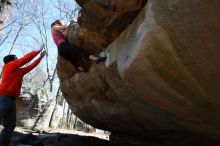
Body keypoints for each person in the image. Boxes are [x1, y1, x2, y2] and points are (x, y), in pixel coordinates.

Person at [0, 46, 46, 146]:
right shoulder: (9, 66)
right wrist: (37, 51)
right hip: (4, 97)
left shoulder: (19, 71)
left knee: (10, 125)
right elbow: (24, 59)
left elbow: (30, 67)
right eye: (16, 58)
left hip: (12, 100)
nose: (17, 59)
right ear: (11, 60)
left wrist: (40, 57)